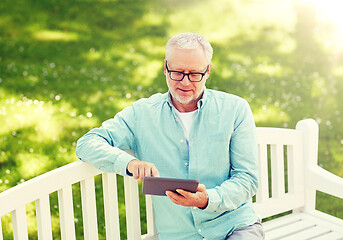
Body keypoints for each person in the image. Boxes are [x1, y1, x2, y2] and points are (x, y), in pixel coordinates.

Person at [76, 32, 264, 240]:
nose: (184, 82)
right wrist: (129, 163)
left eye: (194, 74)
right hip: (180, 236)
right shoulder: (142, 113)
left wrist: (208, 199)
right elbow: (87, 143)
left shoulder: (235, 109)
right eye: (177, 72)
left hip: (235, 227)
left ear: (208, 71)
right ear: (165, 68)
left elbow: (247, 179)